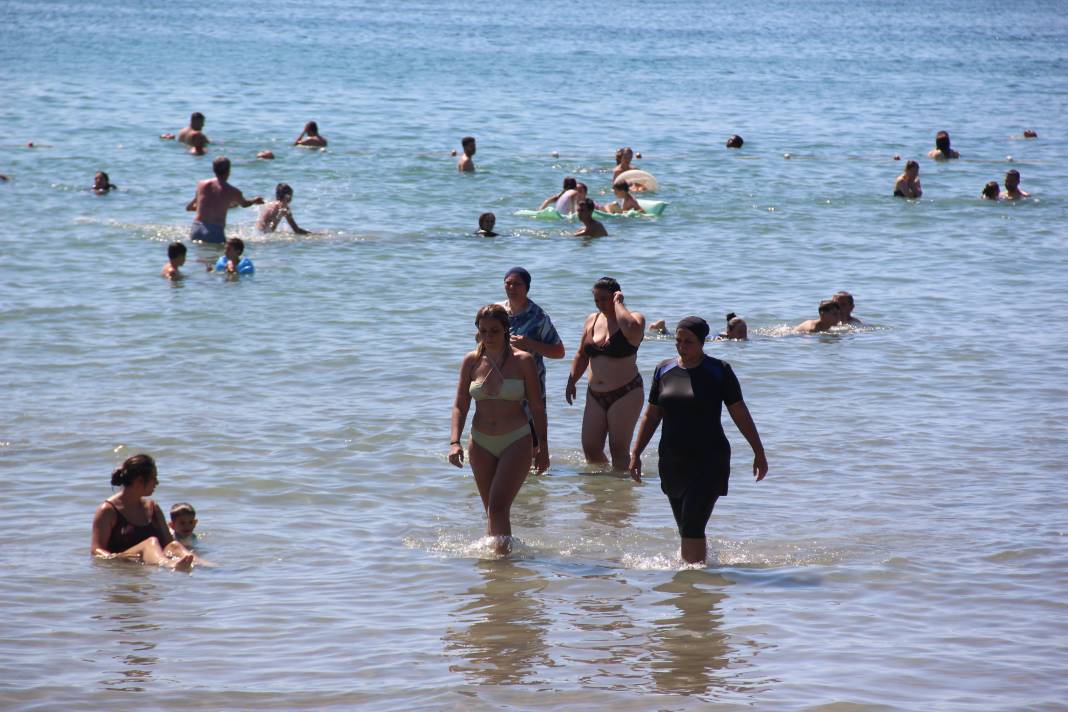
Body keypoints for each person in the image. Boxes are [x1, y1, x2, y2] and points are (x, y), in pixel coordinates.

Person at [628, 317, 768, 564]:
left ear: (702, 342)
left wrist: (758, 451)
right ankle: (698, 583)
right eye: (678, 341)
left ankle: (692, 586)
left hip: (709, 460)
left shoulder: (719, 371)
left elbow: (740, 412)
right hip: (672, 460)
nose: (682, 346)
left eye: (688, 342)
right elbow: (652, 415)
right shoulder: (664, 369)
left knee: (692, 525)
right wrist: (636, 452)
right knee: (686, 527)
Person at [448, 304, 549, 554]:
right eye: (483, 331)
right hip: (480, 441)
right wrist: (454, 441)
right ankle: (500, 575)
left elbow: (537, 407)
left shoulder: (523, 361)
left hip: (516, 440)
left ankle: (500, 568)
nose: (488, 336)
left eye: (494, 330)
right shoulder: (471, 361)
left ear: (506, 330)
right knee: (492, 511)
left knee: (497, 507)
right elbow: (460, 404)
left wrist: (543, 448)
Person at [566, 277, 646, 470]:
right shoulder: (592, 319)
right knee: (591, 448)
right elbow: (581, 354)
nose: (601, 304)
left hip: (626, 392)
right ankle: (603, 492)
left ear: (616, 296)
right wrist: (572, 381)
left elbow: (631, 330)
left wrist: (618, 304)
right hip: (595, 394)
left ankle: (622, 494)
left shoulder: (634, 319)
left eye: (605, 299)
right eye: (597, 300)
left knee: (618, 449)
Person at [90, 454, 197, 571]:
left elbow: (169, 545)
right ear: (139, 481)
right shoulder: (107, 510)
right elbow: (96, 550)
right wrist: (116, 557)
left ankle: (213, 569)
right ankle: (172, 566)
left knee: (175, 546)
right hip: (124, 564)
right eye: (154, 478)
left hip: (147, 567)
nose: (157, 483)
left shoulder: (153, 508)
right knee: (150, 543)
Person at [499, 267, 565, 403]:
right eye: (508, 283)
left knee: (533, 423)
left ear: (527, 287)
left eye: (517, 284)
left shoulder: (539, 317)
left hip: (530, 385)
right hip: (500, 380)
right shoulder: (497, 311)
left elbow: (559, 352)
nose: (511, 287)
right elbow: (480, 338)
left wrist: (530, 343)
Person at [185, 156, 264, 244]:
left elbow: (190, 207)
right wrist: (254, 200)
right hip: (214, 231)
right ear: (229, 171)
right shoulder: (233, 191)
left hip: (197, 228)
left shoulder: (201, 185)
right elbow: (244, 204)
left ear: (213, 169)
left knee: (200, 257)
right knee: (218, 256)